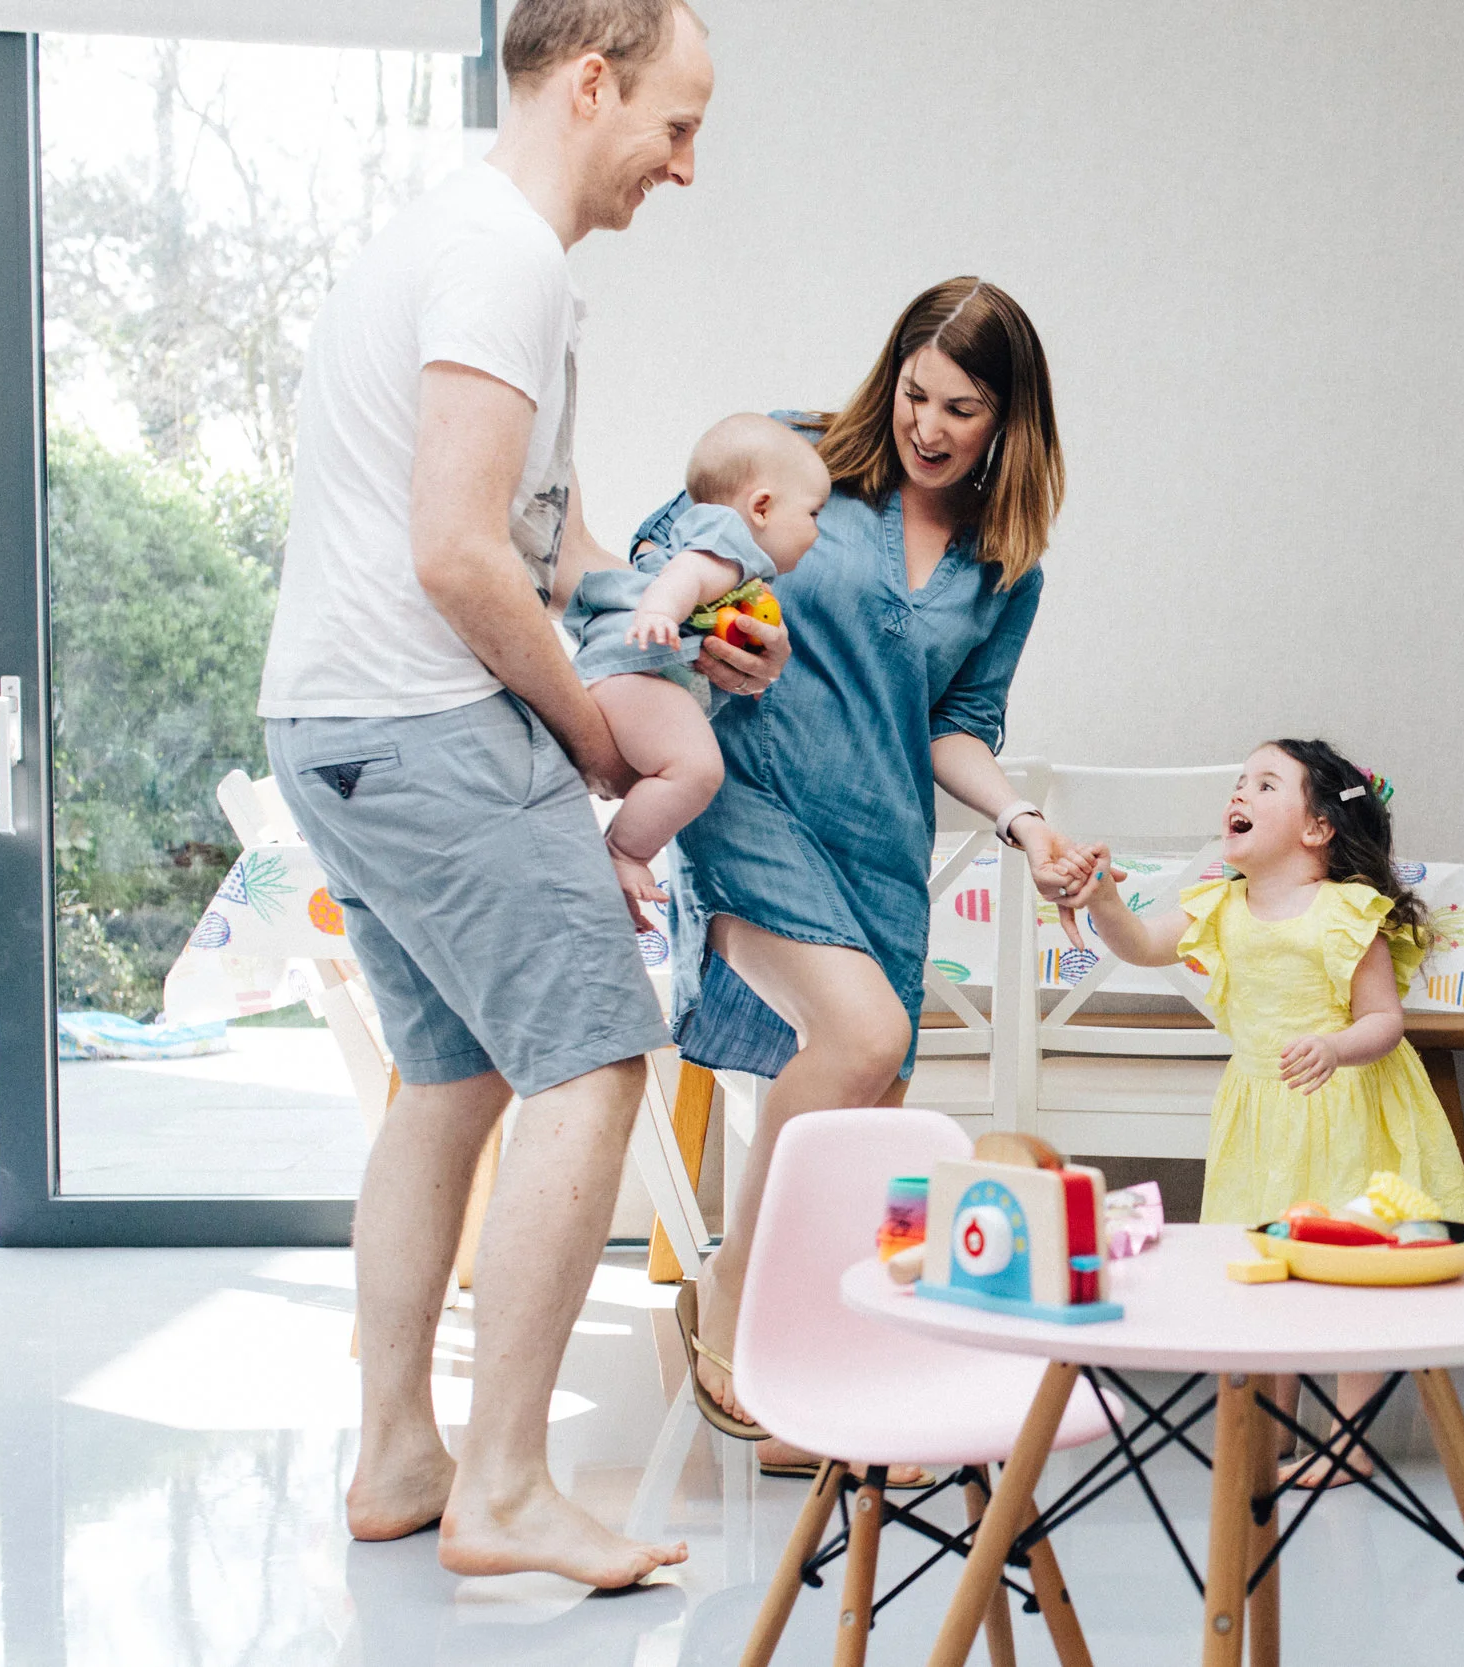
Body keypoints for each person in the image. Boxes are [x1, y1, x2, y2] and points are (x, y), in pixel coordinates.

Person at [255, 0, 779, 1588]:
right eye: (675, 125)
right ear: (591, 85)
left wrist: (675, 622)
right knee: (597, 1056)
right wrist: (597, 741)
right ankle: (506, 1484)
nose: (684, 166)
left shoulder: (471, 249)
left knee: (450, 1077)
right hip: (424, 717)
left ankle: (403, 1454)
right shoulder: (505, 259)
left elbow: (550, 548)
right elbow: (456, 554)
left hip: (332, 718)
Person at [654, 278, 1091, 1459]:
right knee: (860, 1036)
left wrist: (1025, 824)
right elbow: (664, 566)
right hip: (749, 795)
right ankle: (731, 1298)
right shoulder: (796, 460)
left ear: (1007, 421)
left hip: (879, 843)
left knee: (859, 1111)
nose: (928, 427)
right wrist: (708, 637)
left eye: (960, 408)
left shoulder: (1006, 565)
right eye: (914, 393)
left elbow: (957, 727)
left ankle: (815, 1377)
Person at [1069, 738, 1464, 1482]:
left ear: (1317, 827)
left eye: (1264, 784)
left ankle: (1348, 1441)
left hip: (1344, 1107)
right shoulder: (1221, 905)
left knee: (1350, 1268)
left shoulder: (1345, 912)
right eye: (1239, 782)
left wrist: (1334, 1046)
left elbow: (1384, 1020)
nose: (1239, 793)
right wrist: (1103, 900)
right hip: (1261, 1114)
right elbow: (1142, 945)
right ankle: (1276, 1428)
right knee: (1265, 1261)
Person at [561, 414, 832, 908]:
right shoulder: (726, 537)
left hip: (632, 672)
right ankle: (623, 851)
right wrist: (662, 611)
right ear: (762, 507)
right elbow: (689, 571)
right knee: (696, 770)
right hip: (632, 670)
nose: (818, 531)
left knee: (679, 765)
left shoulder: (733, 556)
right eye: (813, 513)